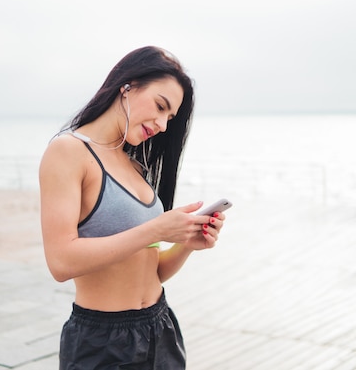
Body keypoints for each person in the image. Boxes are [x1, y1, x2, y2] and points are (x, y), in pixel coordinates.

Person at [39, 46, 226, 369]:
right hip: (102, 341)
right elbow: (60, 262)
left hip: (160, 327)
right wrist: (155, 229)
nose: (163, 124)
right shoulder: (68, 151)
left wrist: (185, 245)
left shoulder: (135, 167)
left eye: (170, 117)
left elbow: (151, 271)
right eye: (160, 106)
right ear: (127, 86)